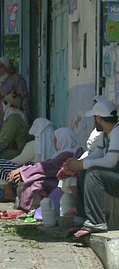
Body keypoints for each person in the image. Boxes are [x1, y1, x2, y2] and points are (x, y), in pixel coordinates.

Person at [63, 99, 119, 238]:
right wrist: (76, 164)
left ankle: (97, 222)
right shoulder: (107, 134)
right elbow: (97, 155)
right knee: (84, 172)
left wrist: (81, 164)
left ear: (99, 118)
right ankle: (81, 219)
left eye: (94, 118)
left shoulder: (117, 132)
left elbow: (110, 162)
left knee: (94, 174)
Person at [9, 127, 83, 212]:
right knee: (34, 180)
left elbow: (48, 167)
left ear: (63, 139)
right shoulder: (62, 153)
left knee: (37, 183)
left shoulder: (67, 154)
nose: (54, 142)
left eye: (55, 140)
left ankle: (35, 208)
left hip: (59, 183)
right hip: (54, 179)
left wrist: (22, 171)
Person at [0, 118, 55, 200]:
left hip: (28, 175)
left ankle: (9, 193)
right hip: (44, 177)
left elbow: (18, 161)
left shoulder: (34, 145)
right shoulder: (56, 145)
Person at [0, 57, 30, 142]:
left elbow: (24, 99)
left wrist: (26, 118)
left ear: (8, 67)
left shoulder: (16, 80)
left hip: (11, 118)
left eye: (2, 66)